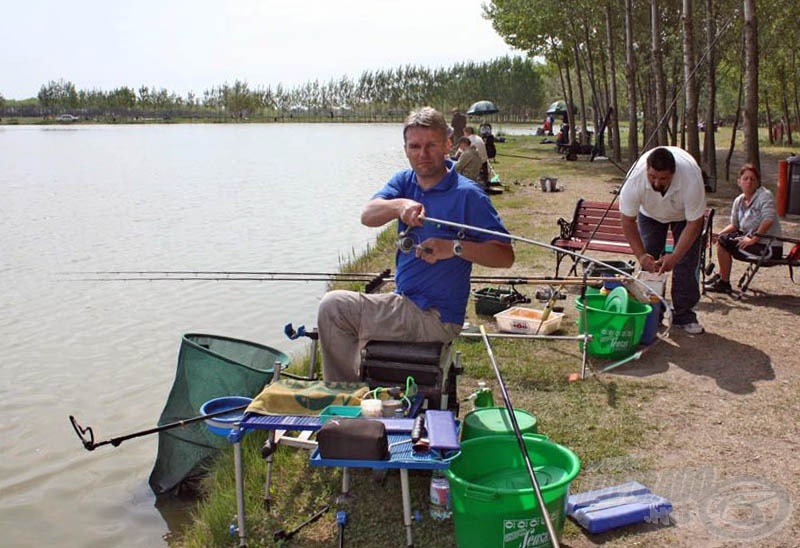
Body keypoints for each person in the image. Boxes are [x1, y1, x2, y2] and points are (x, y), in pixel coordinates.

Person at [317, 107, 515, 382]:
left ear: (448, 144)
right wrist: (400, 206)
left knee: (334, 307)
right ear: (406, 149)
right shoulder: (404, 182)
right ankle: (355, 387)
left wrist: (454, 247)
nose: (423, 154)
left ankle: (342, 392)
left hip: (435, 317)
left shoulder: (468, 195)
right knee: (340, 307)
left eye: (431, 145)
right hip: (406, 303)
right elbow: (368, 215)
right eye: (415, 146)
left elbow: (505, 256)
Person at [619, 146, 707, 334]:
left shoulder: (691, 178)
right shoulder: (634, 179)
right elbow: (627, 220)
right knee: (650, 258)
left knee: (686, 261)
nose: (657, 182)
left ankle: (684, 314)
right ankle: (652, 312)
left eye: (663, 178)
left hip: (684, 217)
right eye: (652, 177)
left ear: (673, 174)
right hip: (650, 214)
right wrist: (641, 255)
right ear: (646, 170)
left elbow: (695, 223)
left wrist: (674, 257)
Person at [705, 163, 782, 293]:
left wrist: (754, 239)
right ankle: (722, 277)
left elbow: (768, 219)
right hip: (750, 242)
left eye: (752, 179)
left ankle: (724, 282)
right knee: (723, 239)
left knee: (724, 242)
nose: (749, 182)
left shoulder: (765, 196)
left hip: (767, 247)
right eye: (745, 179)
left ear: (758, 183)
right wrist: (718, 234)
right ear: (739, 182)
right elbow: (735, 225)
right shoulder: (739, 200)